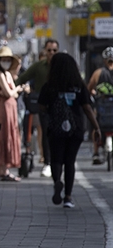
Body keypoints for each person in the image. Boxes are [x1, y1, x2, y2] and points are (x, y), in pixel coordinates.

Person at [37, 53, 102, 208]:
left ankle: (57, 181)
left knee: (57, 159)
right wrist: (96, 127)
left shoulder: (49, 86)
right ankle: (68, 197)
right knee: (70, 161)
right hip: (76, 128)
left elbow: (41, 107)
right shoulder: (79, 85)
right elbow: (87, 107)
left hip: (56, 127)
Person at [16, 39, 58, 176]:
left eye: (54, 50)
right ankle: (47, 163)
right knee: (46, 133)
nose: (51, 53)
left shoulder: (63, 65)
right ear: (45, 51)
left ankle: (57, 161)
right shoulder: (39, 66)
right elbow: (23, 78)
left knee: (59, 134)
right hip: (44, 107)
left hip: (60, 106)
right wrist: (12, 87)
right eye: (49, 50)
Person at [0, 46, 27, 182]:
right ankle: (2, 170)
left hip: (11, 108)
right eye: (3, 59)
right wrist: (17, 90)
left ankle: (5, 170)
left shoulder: (7, 74)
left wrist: (16, 90)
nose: (6, 62)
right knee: (4, 136)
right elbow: (9, 93)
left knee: (11, 135)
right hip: (4, 108)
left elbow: (13, 91)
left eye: (8, 60)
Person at [86, 46, 113, 164]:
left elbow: (89, 88)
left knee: (96, 125)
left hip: (101, 105)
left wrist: (92, 92)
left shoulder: (98, 73)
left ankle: (96, 152)